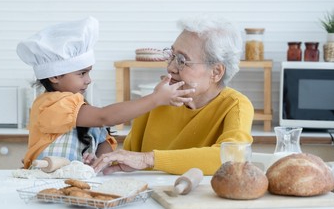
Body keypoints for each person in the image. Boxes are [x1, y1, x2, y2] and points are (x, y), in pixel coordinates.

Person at [16, 16, 194, 169]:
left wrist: (97, 159)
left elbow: (103, 141)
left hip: (74, 184)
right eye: (81, 73)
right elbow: (105, 117)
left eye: (88, 72)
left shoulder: (81, 109)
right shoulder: (50, 105)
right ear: (55, 76)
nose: (88, 80)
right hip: (43, 181)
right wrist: (156, 99)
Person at [92, 14, 254, 176]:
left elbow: (232, 158)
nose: (171, 67)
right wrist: (105, 161)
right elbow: (132, 157)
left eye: (182, 61)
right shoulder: (157, 100)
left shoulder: (236, 105)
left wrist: (148, 159)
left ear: (216, 72)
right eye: (172, 56)